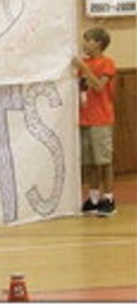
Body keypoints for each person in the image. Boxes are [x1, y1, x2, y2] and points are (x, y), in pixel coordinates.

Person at [74, 27, 116, 217]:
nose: (85, 44)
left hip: (101, 119)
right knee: (89, 162)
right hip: (85, 119)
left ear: (98, 43)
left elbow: (99, 86)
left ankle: (108, 198)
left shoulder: (107, 63)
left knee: (104, 161)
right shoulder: (83, 63)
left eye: (88, 40)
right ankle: (93, 198)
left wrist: (84, 69)